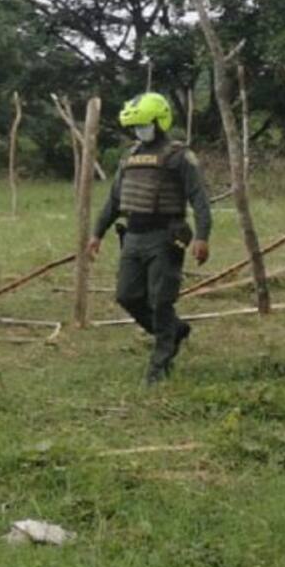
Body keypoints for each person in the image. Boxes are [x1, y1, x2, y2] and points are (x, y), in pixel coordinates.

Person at [87, 92, 212, 385]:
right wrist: (96, 233)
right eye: (136, 125)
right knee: (127, 295)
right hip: (133, 237)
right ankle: (173, 331)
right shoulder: (129, 157)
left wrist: (203, 237)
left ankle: (159, 366)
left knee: (161, 300)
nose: (139, 130)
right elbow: (114, 200)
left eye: (144, 124)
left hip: (165, 237)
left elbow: (200, 199)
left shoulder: (179, 156)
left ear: (159, 121)